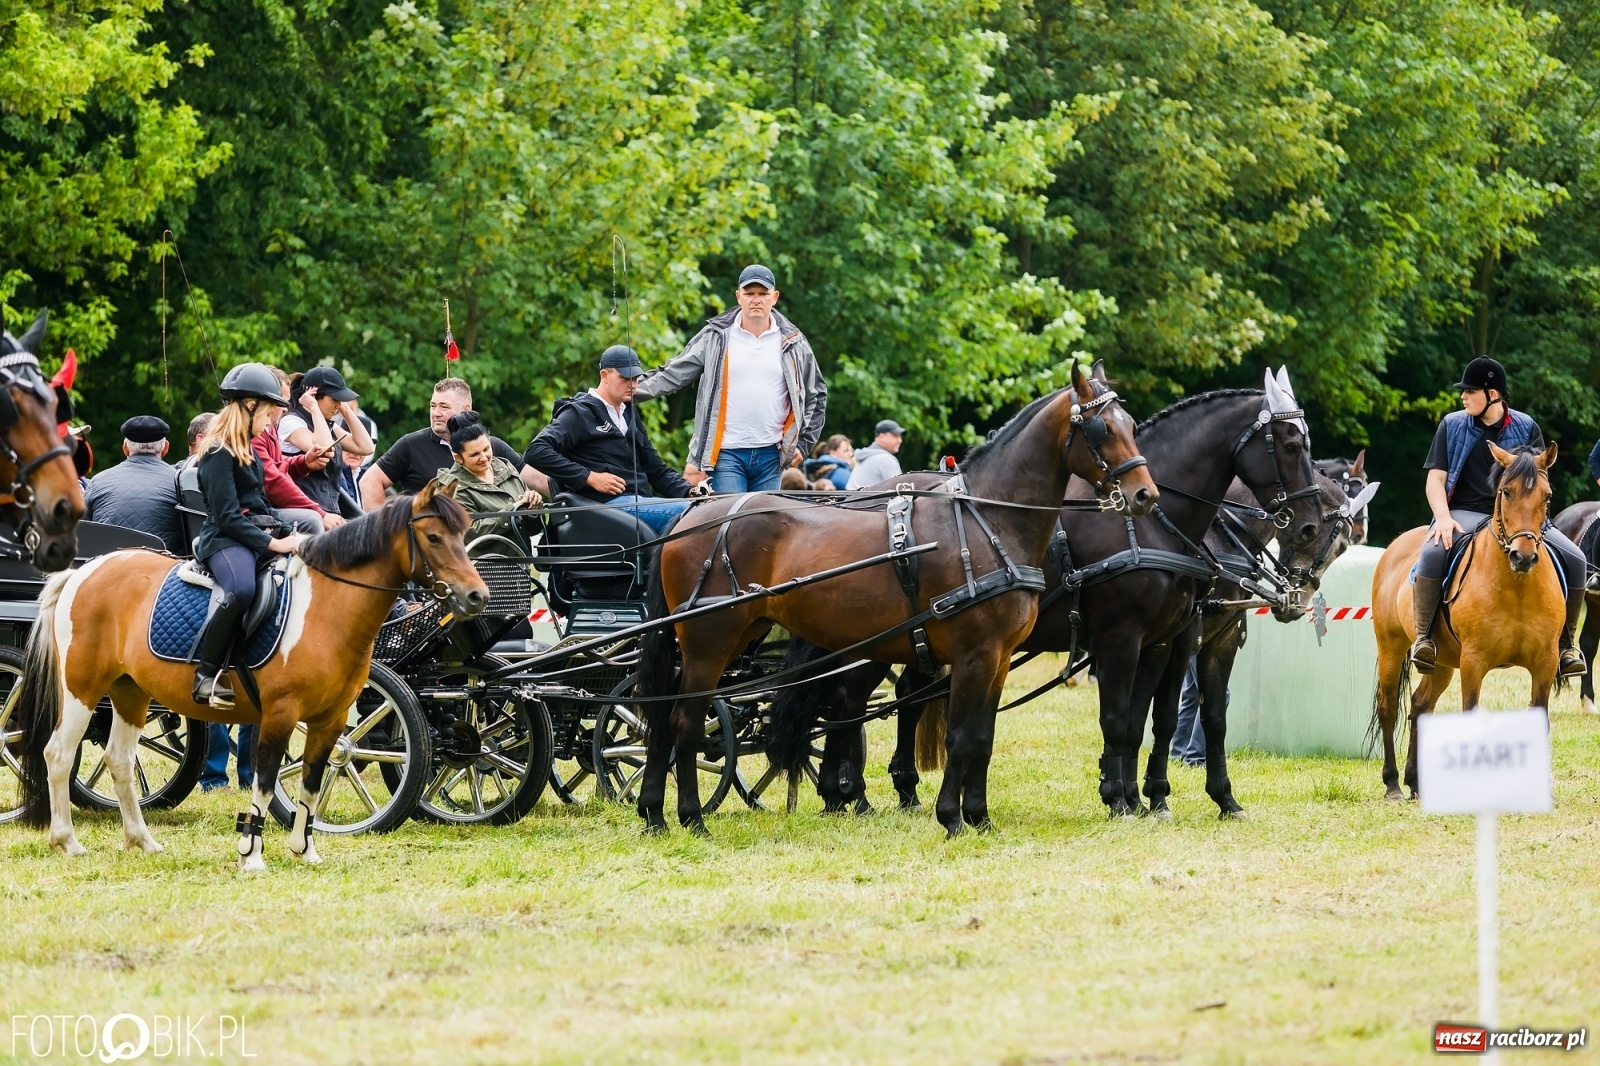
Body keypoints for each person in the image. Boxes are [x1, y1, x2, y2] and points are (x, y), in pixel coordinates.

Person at [1413, 356, 1587, 677]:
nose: (1463, 396)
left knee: (1577, 560)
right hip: (1463, 511)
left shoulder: (1527, 426)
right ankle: (1424, 638)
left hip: (1519, 515)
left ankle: (1566, 646)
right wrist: (1443, 517)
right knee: (1432, 552)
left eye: (1470, 391)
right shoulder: (1451, 425)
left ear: (1492, 394)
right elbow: (1435, 479)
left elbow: (1539, 482)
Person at [634, 264, 826, 493]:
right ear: (738, 296)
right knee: (731, 514)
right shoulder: (716, 335)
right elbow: (673, 373)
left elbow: (817, 395)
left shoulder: (794, 341)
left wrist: (803, 444)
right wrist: (628, 392)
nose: (756, 300)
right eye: (749, 293)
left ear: (774, 297)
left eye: (763, 293)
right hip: (725, 453)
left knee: (764, 517)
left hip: (772, 454)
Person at [192, 364, 309, 708]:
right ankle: (206, 674)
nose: (273, 419)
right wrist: (273, 543)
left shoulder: (249, 449)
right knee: (242, 589)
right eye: (269, 410)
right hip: (224, 540)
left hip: (252, 534)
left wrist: (291, 535)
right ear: (249, 405)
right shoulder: (217, 452)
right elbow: (227, 516)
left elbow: (260, 504)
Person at [524, 345, 708, 533]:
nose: (633, 384)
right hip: (601, 508)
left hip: (639, 502)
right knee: (692, 515)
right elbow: (535, 451)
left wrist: (689, 491)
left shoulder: (629, 412)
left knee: (706, 509)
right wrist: (589, 477)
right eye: (625, 378)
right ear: (604, 375)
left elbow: (655, 469)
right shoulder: (578, 412)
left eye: (635, 378)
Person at [361, 377, 548, 508]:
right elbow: (369, 481)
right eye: (433, 406)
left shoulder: (490, 446)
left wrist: (566, 492)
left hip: (490, 544)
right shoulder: (411, 445)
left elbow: (536, 479)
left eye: (444, 407)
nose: (436, 413)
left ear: (466, 409)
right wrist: (383, 533)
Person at [250, 368, 338, 534]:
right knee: (313, 520)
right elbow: (273, 481)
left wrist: (304, 462)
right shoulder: (255, 434)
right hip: (255, 513)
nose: (286, 409)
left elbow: (278, 464)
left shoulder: (269, 429)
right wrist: (321, 513)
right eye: (281, 402)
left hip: (266, 507)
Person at [82, 415, 186, 554]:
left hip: (108, 563)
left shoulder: (98, 481)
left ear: (125, 448)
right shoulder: (181, 482)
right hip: (163, 564)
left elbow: (83, 529)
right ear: (165, 448)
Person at [279, 366, 373, 517]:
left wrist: (345, 409)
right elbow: (324, 449)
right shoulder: (291, 422)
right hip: (305, 513)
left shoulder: (327, 425)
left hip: (330, 513)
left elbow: (366, 447)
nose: (337, 405)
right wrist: (314, 407)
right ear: (314, 396)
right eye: (334, 399)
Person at [435, 412, 541, 542]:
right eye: (475, 455)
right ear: (458, 458)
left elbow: (533, 530)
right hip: (485, 556)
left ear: (490, 442)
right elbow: (469, 533)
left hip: (522, 554)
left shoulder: (506, 468)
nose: (484, 458)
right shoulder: (453, 488)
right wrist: (512, 512)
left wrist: (533, 508)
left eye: (486, 449)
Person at [846, 420, 906, 489]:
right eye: (895, 436)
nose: (900, 441)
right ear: (882, 437)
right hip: (870, 496)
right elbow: (900, 490)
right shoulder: (886, 459)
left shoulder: (864, 456)